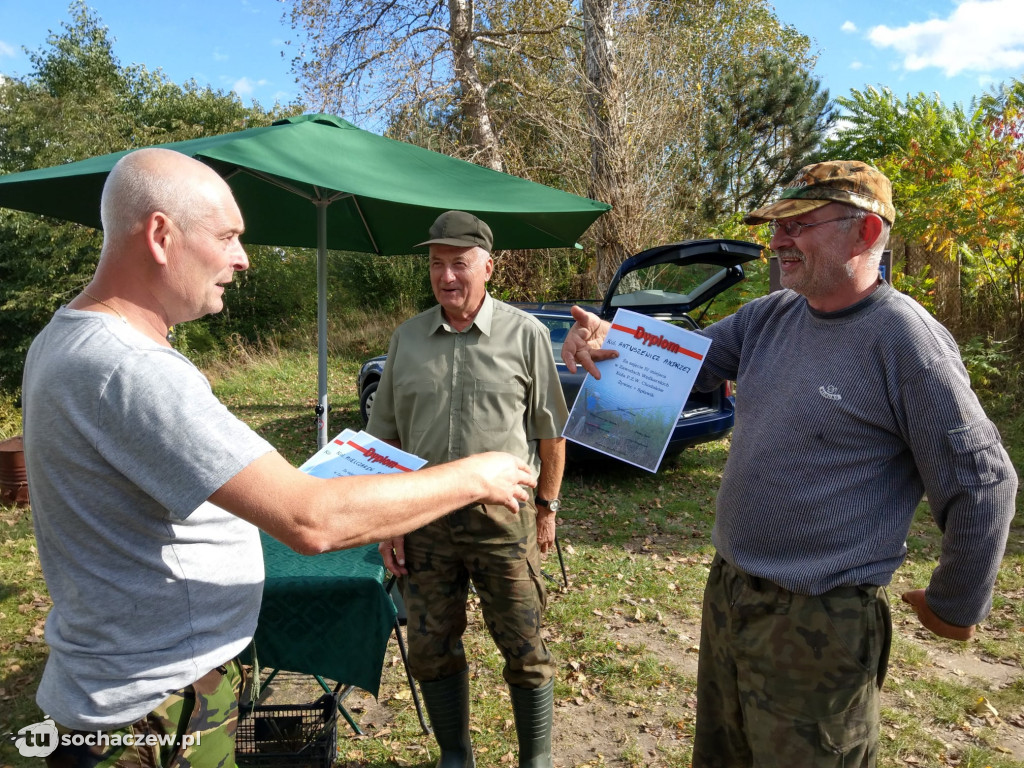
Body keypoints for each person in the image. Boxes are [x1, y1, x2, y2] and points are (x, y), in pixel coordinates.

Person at [20, 149, 536, 768]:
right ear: (161, 235)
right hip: (150, 713)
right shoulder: (130, 368)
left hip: (131, 690)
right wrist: (477, 472)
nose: (242, 258)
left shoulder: (66, 337)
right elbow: (310, 519)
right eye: (229, 237)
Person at [559, 161, 1017, 766]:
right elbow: (680, 366)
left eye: (799, 224)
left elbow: (983, 479)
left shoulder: (905, 339)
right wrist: (601, 341)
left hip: (820, 624)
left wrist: (955, 606)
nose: (776, 242)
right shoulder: (771, 315)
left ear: (867, 233)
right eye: (777, 226)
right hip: (729, 596)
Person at [370, 210, 568, 768]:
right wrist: (387, 524)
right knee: (430, 649)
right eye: (437, 264)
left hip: (503, 520)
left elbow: (551, 432)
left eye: (460, 263)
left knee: (524, 648)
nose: (447, 276)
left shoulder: (525, 335)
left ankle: (537, 760)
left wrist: (547, 509)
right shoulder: (407, 339)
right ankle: (455, 756)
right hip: (424, 523)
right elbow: (382, 440)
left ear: (488, 266)